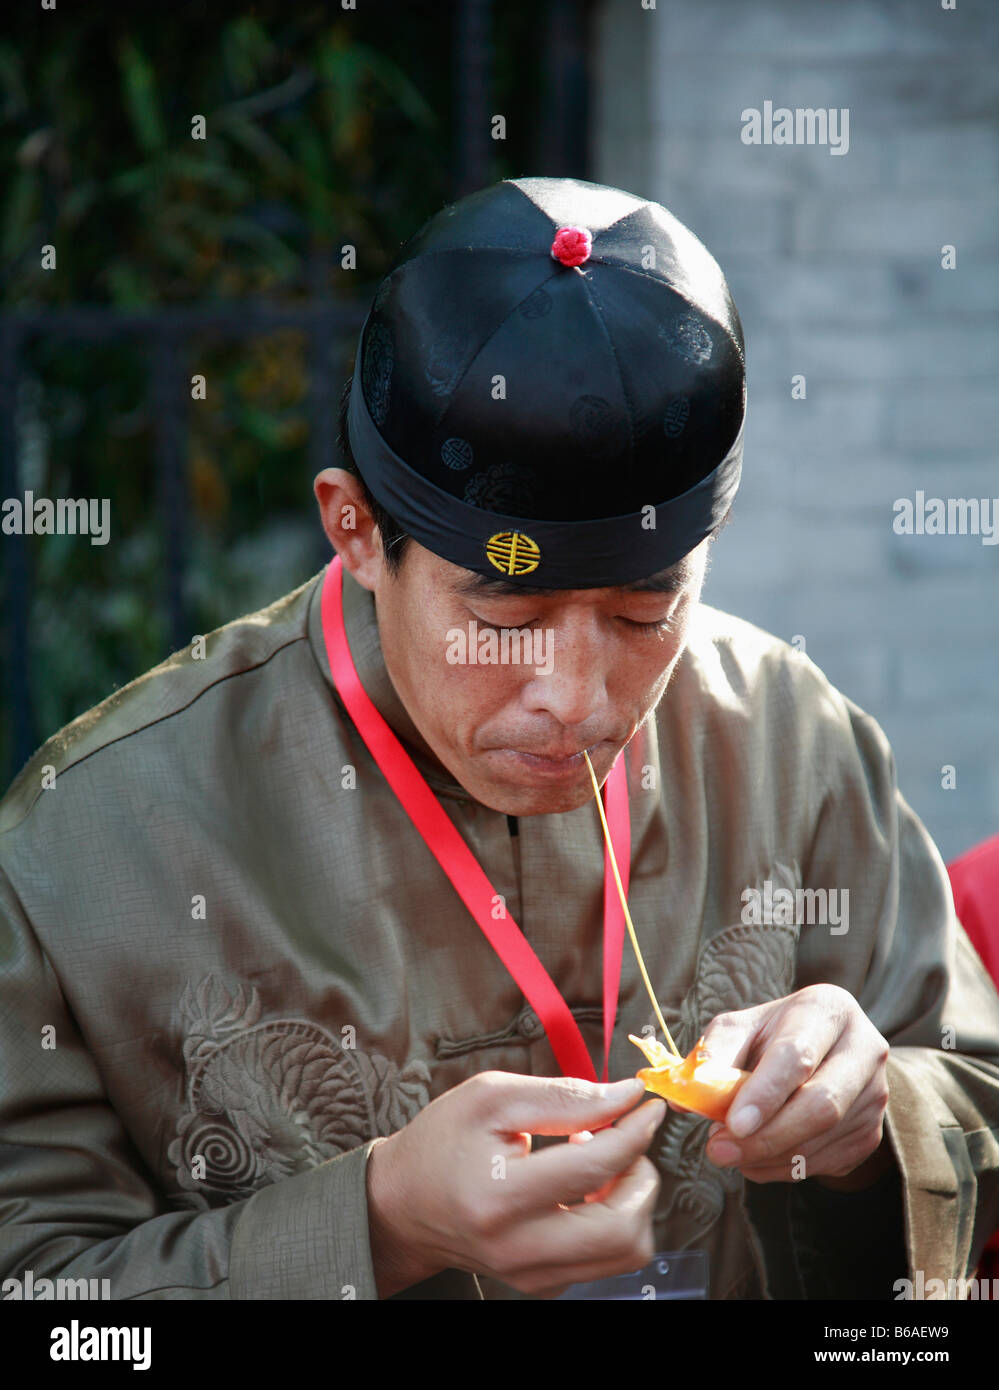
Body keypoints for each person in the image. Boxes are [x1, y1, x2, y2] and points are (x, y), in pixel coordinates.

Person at [1, 176, 997, 1302]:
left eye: (640, 615)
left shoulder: (791, 742)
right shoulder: (93, 840)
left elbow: (971, 1093)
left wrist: (880, 1123)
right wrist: (375, 1225)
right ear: (359, 531)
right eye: (503, 620)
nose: (575, 699)